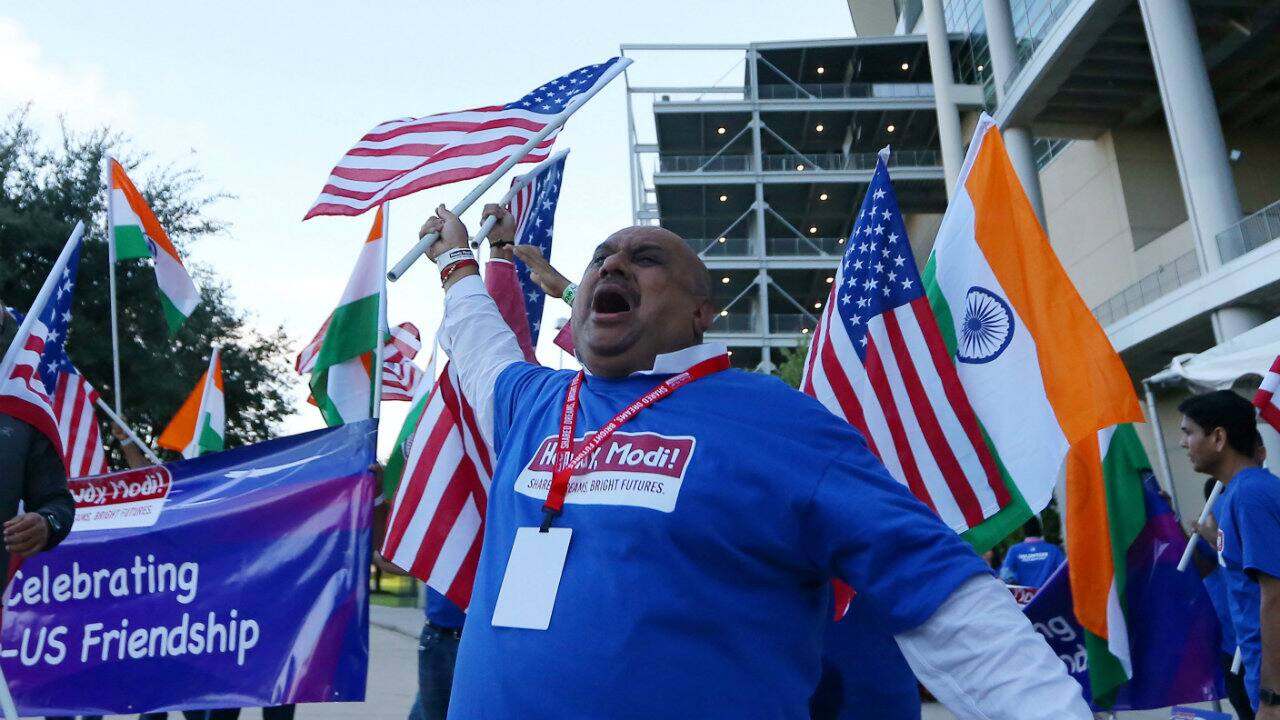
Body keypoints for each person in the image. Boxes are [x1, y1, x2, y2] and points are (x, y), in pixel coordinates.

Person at [415, 205, 1092, 719]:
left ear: (701, 312)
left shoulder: (778, 421)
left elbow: (935, 587)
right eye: (601, 257)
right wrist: (460, 261)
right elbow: (481, 349)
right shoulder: (538, 402)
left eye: (645, 258)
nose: (613, 264)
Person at [1179, 390, 1280, 718]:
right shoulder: (1240, 494)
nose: (1183, 444)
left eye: (1189, 432)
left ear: (1218, 437)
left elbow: (1275, 596)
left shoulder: (1249, 495)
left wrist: (1272, 697)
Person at [1193, 477, 1255, 720]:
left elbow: (1241, 552)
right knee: (1243, 705)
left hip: (1255, 641)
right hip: (1232, 643)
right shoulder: (1216, 505)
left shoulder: (1249, 500)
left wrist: (1213, 537)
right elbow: (1200, 563)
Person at [998, 516, 1065, 589]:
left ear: (1024, 531)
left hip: (1026, 598)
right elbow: (1065, 572)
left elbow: (1005, 576)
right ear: (1040, 529)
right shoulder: (1053, 549)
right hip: (1049, 595)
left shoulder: (1014, 550)